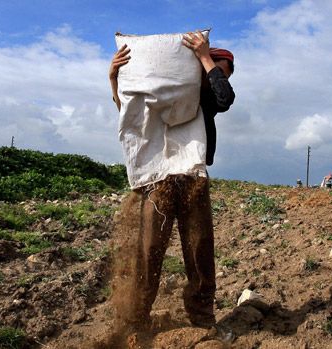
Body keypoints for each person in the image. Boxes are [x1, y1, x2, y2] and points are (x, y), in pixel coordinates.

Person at [107, 30, 235, 337]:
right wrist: (114, 78)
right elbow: (130, 113)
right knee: (149, 250)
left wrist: (206, 59)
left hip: (192, 179)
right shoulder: (161, 93)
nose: (216, 76)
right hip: (157, 179)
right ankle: (137, 320)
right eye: (216, 69)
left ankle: (202, 319)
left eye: (222, 73)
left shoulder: (206, 98)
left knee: (199, 249)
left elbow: (225, 97)